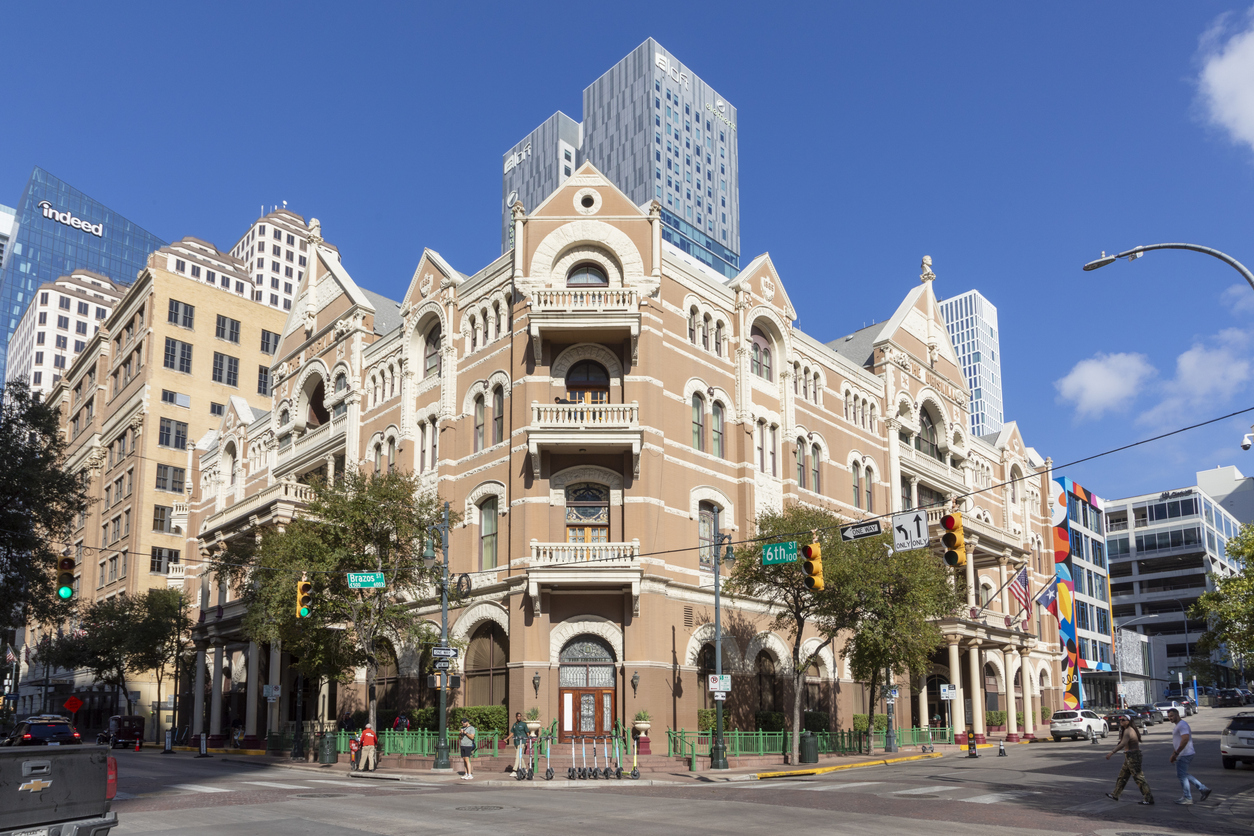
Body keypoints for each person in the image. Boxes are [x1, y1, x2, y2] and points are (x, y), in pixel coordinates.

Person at [1104, 714, 1153, 805]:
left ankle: (1148, 798)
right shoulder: (1126, 730)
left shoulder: (1128, 730)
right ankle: (1115, 794)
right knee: (1122, 776)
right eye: (1120, 719)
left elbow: (1123, 744)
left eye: (1123, 719)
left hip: (1133, 756)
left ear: (1128, 721)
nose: (1121, 721)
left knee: (1139, 778)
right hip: (1129, 756)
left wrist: (1111, 752)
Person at [1167, 708, 1210, 805]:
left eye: (1172, 716)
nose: (1170, 718)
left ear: (1177, 714)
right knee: (1183, 774)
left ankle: (1188, 797)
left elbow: (1185, 739)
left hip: (1185, 754)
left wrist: (1177, 753)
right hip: (1183, 754)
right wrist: (1174, 754)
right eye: (1169, 716)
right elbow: (1178, 742)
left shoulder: (1182, 725)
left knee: (1182, 775)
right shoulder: (1179, 725)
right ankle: (1202, 789)